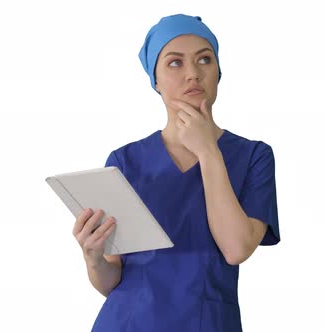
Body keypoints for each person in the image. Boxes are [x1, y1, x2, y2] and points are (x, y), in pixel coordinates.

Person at [72, 14, 280, 332]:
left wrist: (208, 151)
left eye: (204, 60)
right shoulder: (125, 161)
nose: (193, 74)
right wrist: (94, 256)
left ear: (219, 72)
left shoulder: (254, 157)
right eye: (174, 63)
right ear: (155, 80)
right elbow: (110, 281)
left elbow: (236, 248)